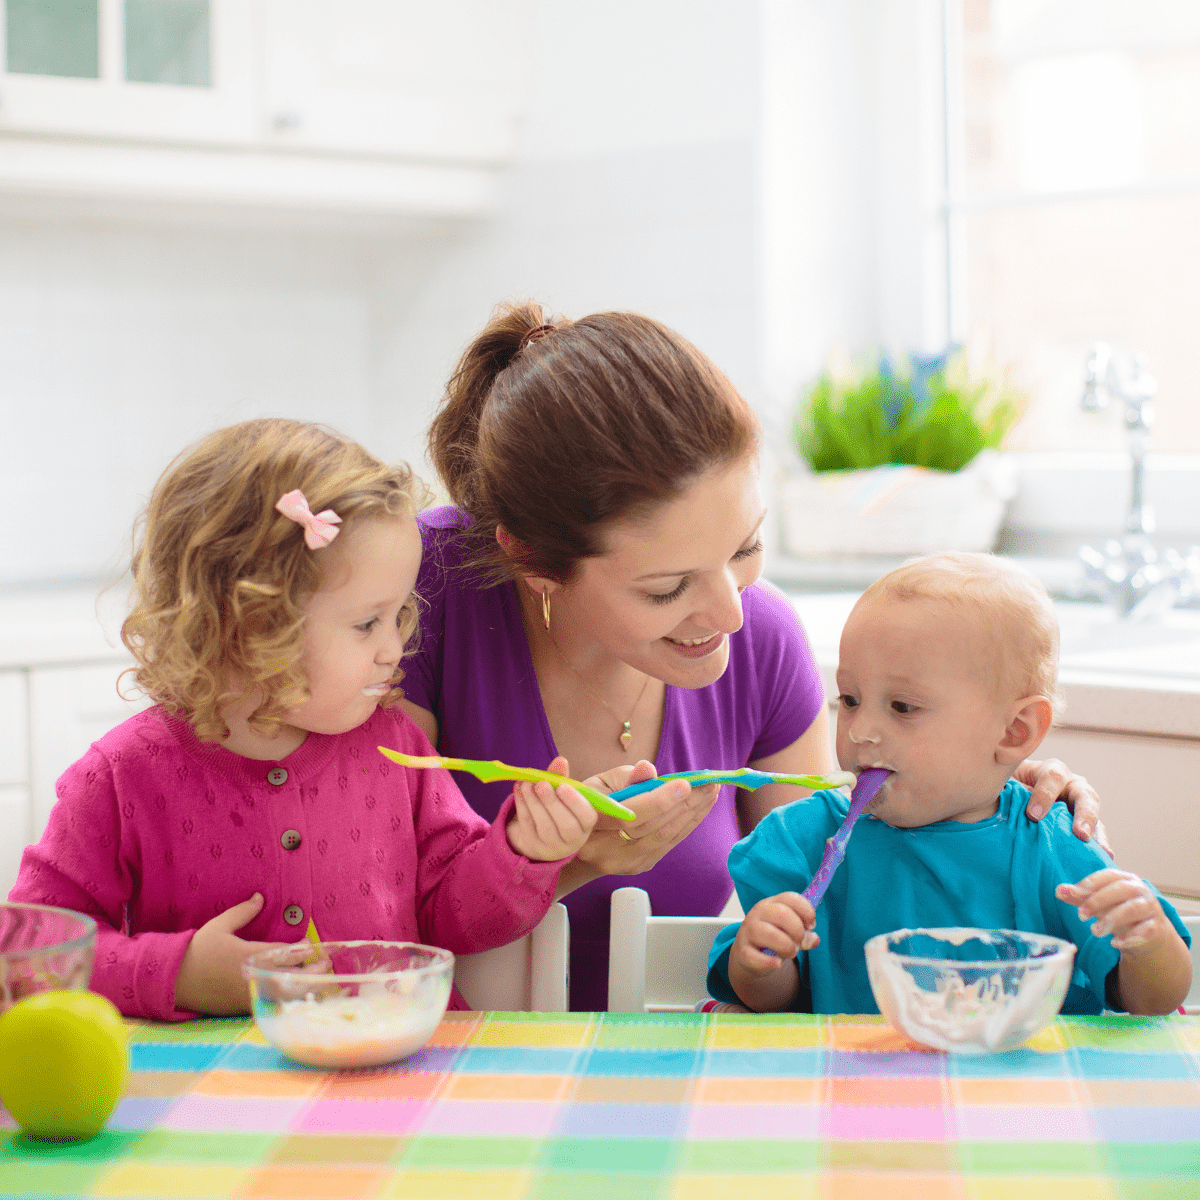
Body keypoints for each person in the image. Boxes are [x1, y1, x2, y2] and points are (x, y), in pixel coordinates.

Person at [401, 301, 1105, 1011]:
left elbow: (852, 862)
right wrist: (574, 862)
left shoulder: (762, 638)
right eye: (669, 587)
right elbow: (363, 904)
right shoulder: (416, 594)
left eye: (745, 548)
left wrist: (990, 795)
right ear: (532, 558)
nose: (731, 613)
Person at [9, 419, 602, 1021]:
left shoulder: (396, 749)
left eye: (401, 615)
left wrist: (523, 850)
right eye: (367, 623)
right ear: (250, 623)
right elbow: (32, 951)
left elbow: (456, 918)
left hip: (398, 1081)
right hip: (209, 1098)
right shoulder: (118, 777)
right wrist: (181, 974)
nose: (394, 649)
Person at [707, 553, 1191, 1016]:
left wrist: (1148, 945)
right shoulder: (802, 841)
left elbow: (1148, 1001)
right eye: (851, 699)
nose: (860, 731)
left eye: (902, 707)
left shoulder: (1052, 846)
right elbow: (769, 1003)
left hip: (1023, 1094)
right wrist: (761, 962)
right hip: (858, 1090)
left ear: (1013, 732)